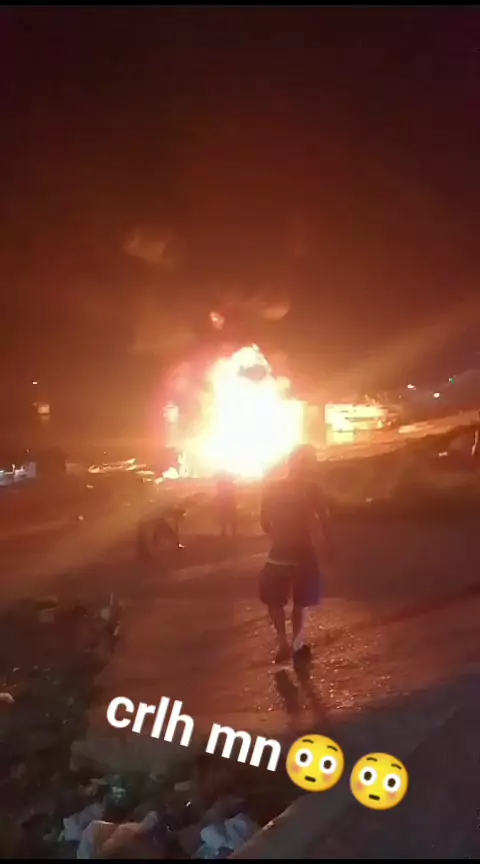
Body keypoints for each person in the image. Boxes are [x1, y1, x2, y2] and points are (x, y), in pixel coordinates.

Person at [259, 444, 332, 664]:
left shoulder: (272, 488)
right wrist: (329, 545)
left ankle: (282, 642)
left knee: (274, 600)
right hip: (302, 552)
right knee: (302, 601)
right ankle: (297, 643)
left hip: (278, 553)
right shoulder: (312, 489)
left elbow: (264, 522)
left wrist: (280, 535)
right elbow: (324, 521)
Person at [216, 472, 237, 538]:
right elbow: (233, 493)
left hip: (225, 503)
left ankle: (225, 531)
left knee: (224, 517)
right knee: (230, 517)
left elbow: (219, 493)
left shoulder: (220, 483)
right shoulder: (231, 484)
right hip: (229, 503)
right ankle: (232, 532)